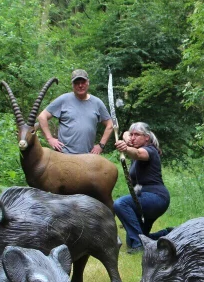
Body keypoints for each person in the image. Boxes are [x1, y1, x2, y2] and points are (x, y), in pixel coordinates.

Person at [113, 122, 171, 253]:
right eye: (132, 135)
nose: (133, 137)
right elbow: (126, 134)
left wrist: (126, 148)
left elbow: (138, 154)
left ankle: (139, 246)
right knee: (137, 238)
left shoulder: (150, 150)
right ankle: (167, 235)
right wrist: (128, 138)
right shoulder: (135, 143)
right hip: (144, 198)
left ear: (147, 137)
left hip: (156, 198)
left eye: (137, 135)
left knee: (120, 204)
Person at [36, 69, 113, 154]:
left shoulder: (97, 103)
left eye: (83, 82)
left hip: (88, 157)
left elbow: (110, 124)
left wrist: (101, 145)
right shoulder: (63, 99)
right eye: (76, 83)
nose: (80, 85)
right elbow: (42, 117)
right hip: (64, 154)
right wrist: (50, 139)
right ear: (72, 84)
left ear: (88, 82)